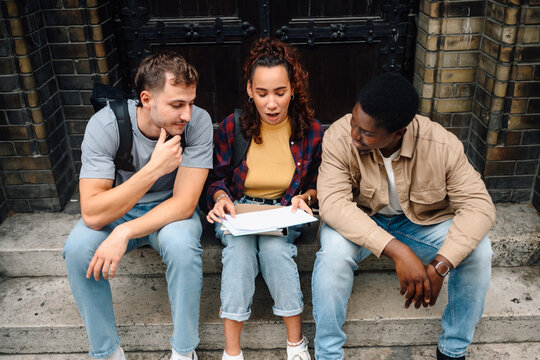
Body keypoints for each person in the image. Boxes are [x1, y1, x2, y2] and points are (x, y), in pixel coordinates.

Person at [312, 73, 496, 360]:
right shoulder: (338, 136)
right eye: (354, 123)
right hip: (363, 221)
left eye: (366, 132)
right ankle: (328, 354)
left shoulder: (441, 145)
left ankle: (452, 350)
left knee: (479, 251)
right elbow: (333, 204)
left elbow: (479, 205)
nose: (354, 135)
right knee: (333, 254)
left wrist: (441, 264)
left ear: (399, 133)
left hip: (418, 225)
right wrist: (399, 252)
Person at [63, 51, 213, 360]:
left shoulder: (198, 123)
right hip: (120, 209)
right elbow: (92, 212)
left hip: (169, 212)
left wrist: (124, 233)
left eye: (191, 102)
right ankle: (107, 353)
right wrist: (153, 170)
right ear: (146, 99)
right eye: (176, 104)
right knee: (78, 248)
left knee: (183, 247)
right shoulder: (106, 126)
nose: (187, 114)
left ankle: (184, 351)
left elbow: (185, 204)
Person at [205, 38, 323, 360]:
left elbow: (316, 184)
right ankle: (232, 352)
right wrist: (219, 198)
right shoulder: (233, 126)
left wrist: (305, 198)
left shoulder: (310, 131)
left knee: (275, 252)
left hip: (283, 213)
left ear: (293, 89)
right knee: (240, 253)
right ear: (249, 90)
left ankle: (296, 345)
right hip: (239, 209)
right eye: (262, 94)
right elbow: (215, 178)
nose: (271, 104)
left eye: (280, 93)